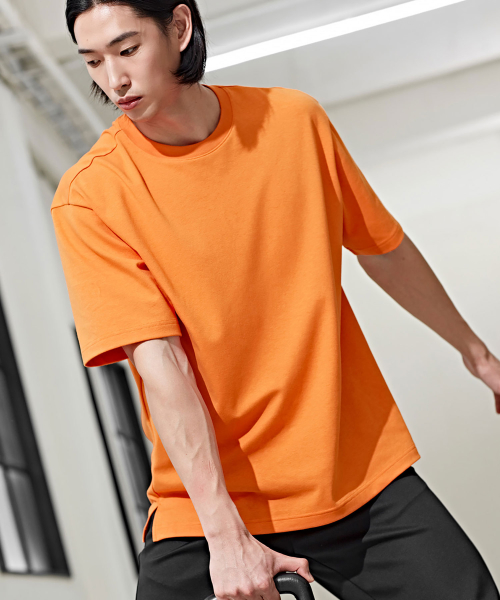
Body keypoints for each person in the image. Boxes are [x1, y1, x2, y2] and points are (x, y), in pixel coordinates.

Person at [51, 1, 500, 599]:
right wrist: (225, 537)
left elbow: (383, 250)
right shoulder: (91, 197)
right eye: (92, 61)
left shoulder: (292, 122)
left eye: (127, 50)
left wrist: (478, 355)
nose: (114, 80)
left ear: (179, 28)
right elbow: (159, 360)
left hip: (351, 475)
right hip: (207, 506)